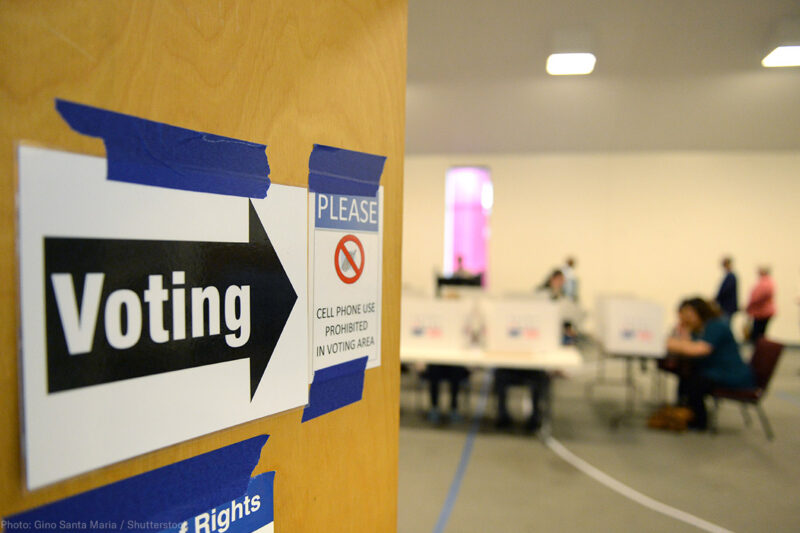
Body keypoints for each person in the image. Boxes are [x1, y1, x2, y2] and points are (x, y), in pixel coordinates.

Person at [494, 269, 569, 433]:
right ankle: (503, 415)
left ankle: (535, 417)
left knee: (539, 378)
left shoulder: (562, 299)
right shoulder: (540, 295)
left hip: (532, 362)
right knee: (499, 375)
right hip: (512, 361)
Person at [666, 297, 754, 430]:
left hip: (730, 374)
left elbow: (698, 350)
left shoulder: (716, 326)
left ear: (699, 312)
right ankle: (685, 410)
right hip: (714, 370)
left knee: (695, 381)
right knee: (686, 374)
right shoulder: (699, 329)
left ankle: (699, 421)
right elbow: (686, 345)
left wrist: (672, 343)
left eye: (688, 315)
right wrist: (683, 332)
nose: (685, 319)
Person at [745, 266, 775, 344]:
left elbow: (757, 298)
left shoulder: (764, 283)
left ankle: (758, 351)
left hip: (762, 312)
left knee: (757, 334)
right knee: (760, 333)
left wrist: (749, 306)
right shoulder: (768, 282)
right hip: (762, 312)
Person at [714, 256, 738, 325]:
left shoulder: (731, 277)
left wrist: (716, 299)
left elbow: (725, 291)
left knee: (725, 324)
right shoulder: (729, 277)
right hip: (726, 306)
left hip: (727, 307)